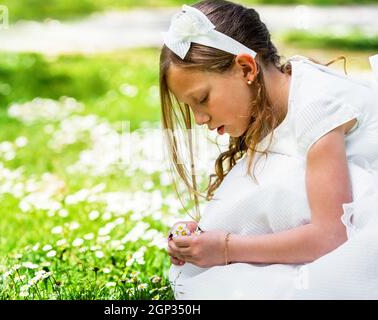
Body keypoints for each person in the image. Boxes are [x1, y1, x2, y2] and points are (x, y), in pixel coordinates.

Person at [159, 0, 378, 299]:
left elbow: (330, 235)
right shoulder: (269, 104)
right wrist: (208, 233)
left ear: (246, 68)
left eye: (203, 99)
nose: (199, 119)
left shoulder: (316, 109)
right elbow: (270, 203)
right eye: (190, 107)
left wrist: (225, 248)